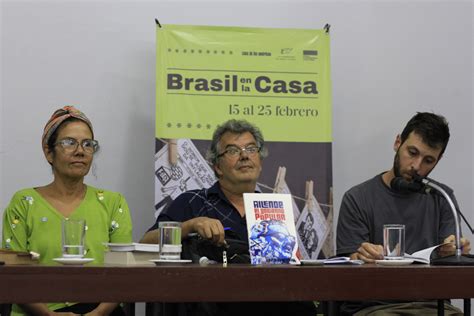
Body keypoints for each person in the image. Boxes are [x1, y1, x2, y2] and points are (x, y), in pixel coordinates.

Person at [141, 119, 316, 316]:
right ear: (217, 166)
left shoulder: (274, 209)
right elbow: (146, 243)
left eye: (251, 149)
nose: (244, 156)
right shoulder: (193, 201)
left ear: (260, 162)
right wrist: (191, 225)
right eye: (233, 150)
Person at [336, 112, 471, 316]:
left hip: (433, 307)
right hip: (375, 307)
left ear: (438, 159)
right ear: (398, 142)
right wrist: (360, 256)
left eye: (428, 160)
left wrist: (454, 252)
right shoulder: (357, 198)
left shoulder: (443, 197)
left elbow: (450, 259)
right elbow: (345, 272)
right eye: (412, 152)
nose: (416, 166)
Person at [2, 106, 132, 316]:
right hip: (37, 312)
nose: (80, 151)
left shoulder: (112, 203)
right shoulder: (24, 202)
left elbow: (123, 272)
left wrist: (98, 314)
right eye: (69, 143)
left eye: (88, 144)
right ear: (48, 151)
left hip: (101, 311)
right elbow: (12, 274)